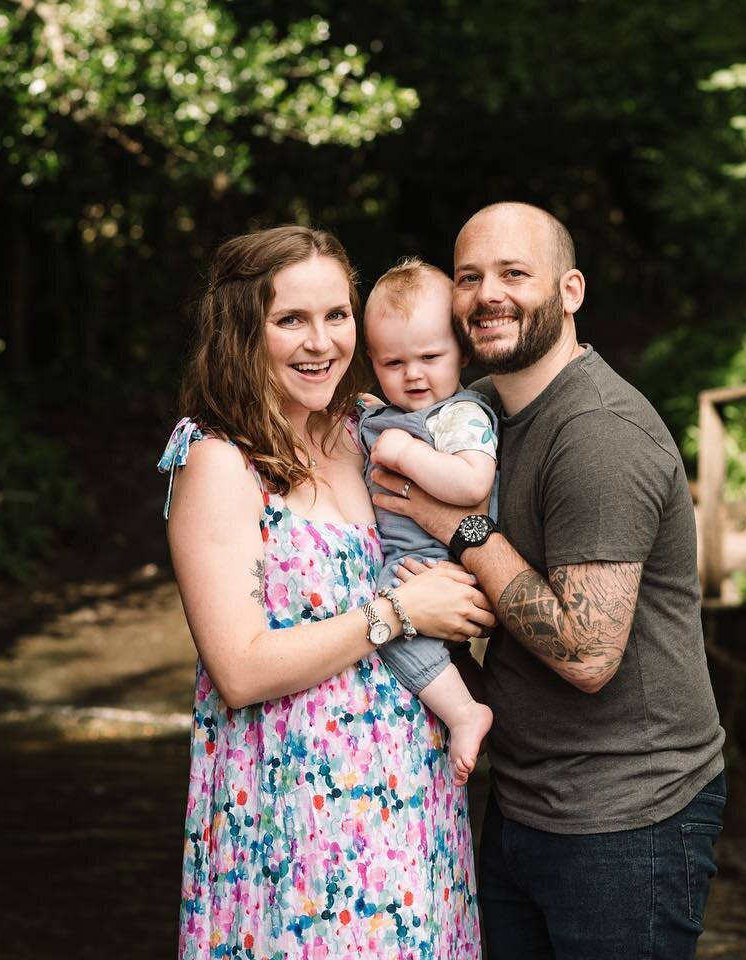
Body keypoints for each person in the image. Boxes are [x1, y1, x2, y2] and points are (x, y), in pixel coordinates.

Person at [374, 203, 728, 959]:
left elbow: (587, 653)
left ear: (570, 291)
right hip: (525, 803)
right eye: (469, 278)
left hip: (628, 818)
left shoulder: (598, 432)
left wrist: (461, 532)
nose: (486, 294)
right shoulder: (481, 417)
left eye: (513, 273)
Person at [159, 225, 493, 958]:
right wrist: (401, 613)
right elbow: (240, 670)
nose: (321, 343)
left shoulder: (358, 429)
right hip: (297, 816)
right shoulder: (219, 461)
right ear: (243, 328)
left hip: (410, 797)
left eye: (336, 316)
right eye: (291, 320)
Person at [358, 257, 498, 786]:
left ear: (462, 350)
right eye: (393, 363)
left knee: (385, 624)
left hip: (439, 560)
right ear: (373, 360)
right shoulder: (387, 409)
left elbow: (471, 484)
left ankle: (466, 712)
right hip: (410, 557)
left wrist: (404, 452)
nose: (413, 375)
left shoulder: (461, 415)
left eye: (430, 357)